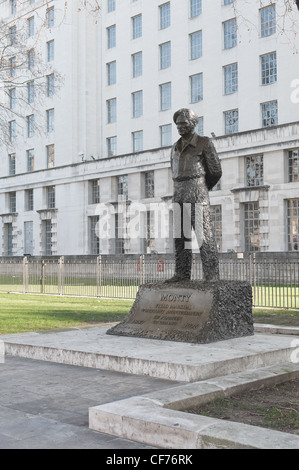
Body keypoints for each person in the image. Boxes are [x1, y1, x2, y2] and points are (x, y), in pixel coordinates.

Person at [168, 108, 222, 282]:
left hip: (197, 190)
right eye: (178, 124)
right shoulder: (174, 148)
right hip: (179, 191)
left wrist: (202, 187)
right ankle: (182, 273)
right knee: (180, 237)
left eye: (183, 123)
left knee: (203, 234)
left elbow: (215, 171)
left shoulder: (204, 143)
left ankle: (211, 275)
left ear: (193, 124)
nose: (180, 127)